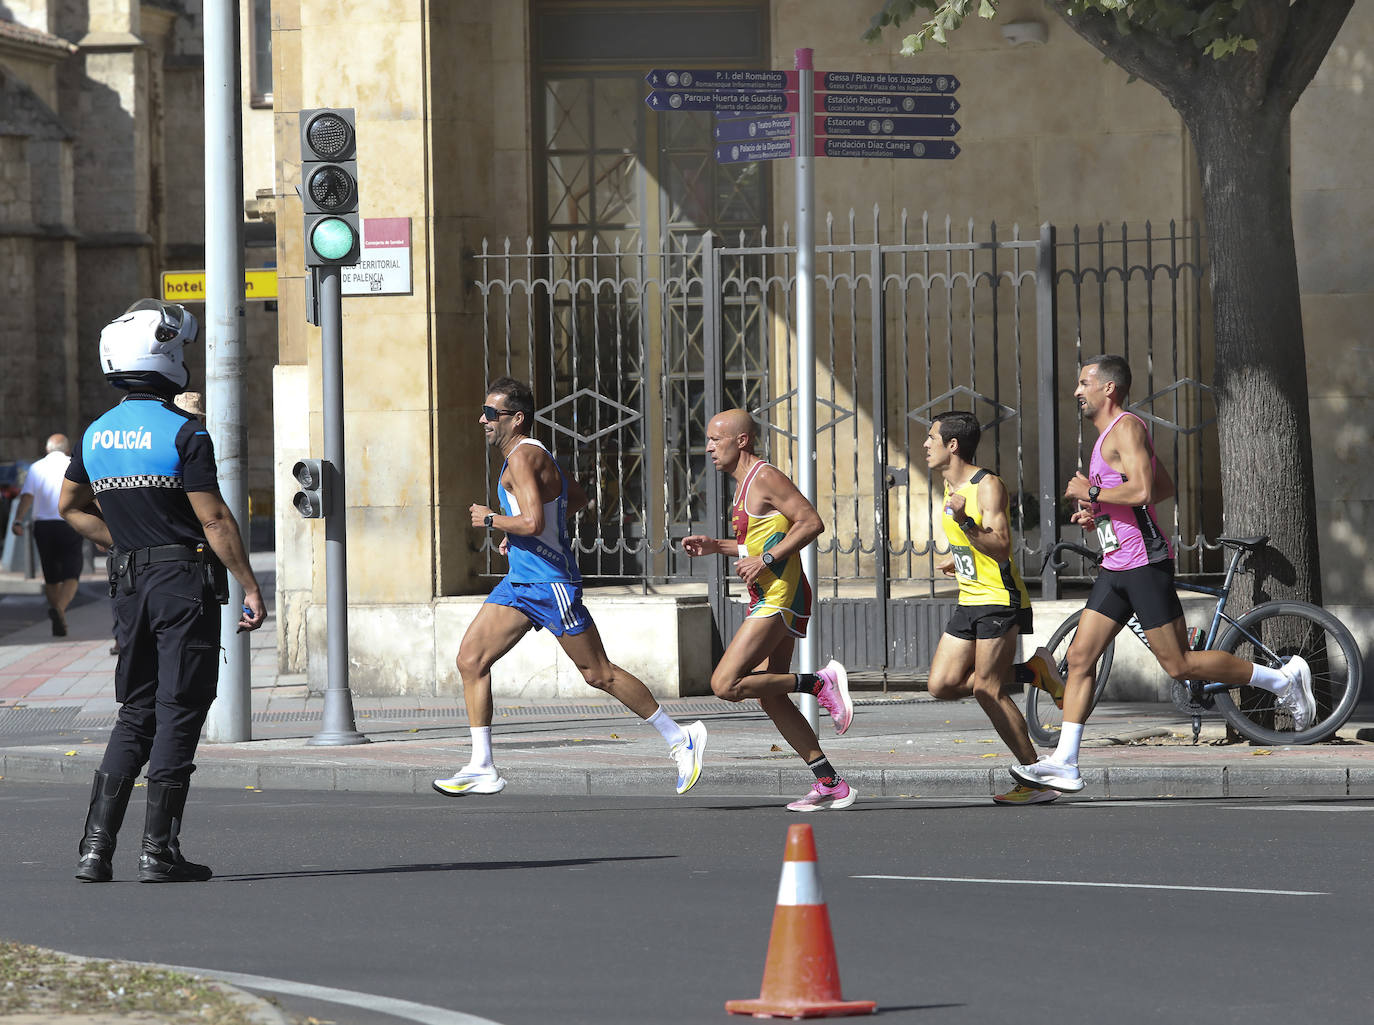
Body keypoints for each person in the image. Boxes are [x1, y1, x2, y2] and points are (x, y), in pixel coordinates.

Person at [1011, 353, 1315, 794]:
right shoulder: (1106, 439)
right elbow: (1163, 487)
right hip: (1117, 564)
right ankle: (1066, 762)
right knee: (1078, 658)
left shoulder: (1127, 427)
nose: (1077, 391)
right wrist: (1099, 513)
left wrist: (1091, 490)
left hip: (1144, 564)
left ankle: (1282, 679)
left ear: (1108, 388)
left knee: (1179, 665)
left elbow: (1145, 490)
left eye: (1083, 383)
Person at [59, 299, 266, 883]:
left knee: (137, 711)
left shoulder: (96, 434)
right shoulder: (183, 433)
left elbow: (69, 507)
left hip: (129, 586)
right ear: (168, 358)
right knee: (181, 709)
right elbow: (216, 520)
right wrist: (249, 584)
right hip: (183, 585)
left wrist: (120, 538)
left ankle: (94, 850)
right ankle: (158, 850)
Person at [432, 378, 707, 797]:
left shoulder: (522, 458)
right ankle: (482, 765)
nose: (482, 420)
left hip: (549, 583)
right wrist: (520, 534)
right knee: (471, 660)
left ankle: (679, 737)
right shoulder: (534, 453)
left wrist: (493, 520)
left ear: (516, 418)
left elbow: (535, 521)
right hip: (521, 582)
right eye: (484, 412)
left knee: (599, 673)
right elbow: (573, 499)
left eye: (491, 414)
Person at [681, 409, 856, 812]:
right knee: (770, 695)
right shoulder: (744, 485)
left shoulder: (764, 476)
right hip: (769, 592)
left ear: (740, 440)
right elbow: (759, 543)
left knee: (725, 684)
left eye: (715, 439)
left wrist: (769, 559)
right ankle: (830, 782)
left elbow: (811, 522)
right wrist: (717, 546)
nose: (708, 447)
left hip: (780, 592)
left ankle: (818, 683)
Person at [922, 412, 1067, 806]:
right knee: (941, 684)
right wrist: (959, 556)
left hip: (999, 599)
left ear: (953, 445)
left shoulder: (986, 486)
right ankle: (1033, 671)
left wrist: (966, 522)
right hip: (970, 599)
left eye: (931, 437)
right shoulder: (949, 485)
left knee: (988, 689)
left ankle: (1037, 778)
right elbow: (979, 545)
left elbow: (1001, 543)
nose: (925, 444)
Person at [11, 435, 85, 636]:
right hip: (70, 522)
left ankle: (58, 615)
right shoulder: (74, 464)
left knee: (51, 575)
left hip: (43, 526)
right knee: (72, 571)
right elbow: (86, 493)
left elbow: (27, 497)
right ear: (67, 449)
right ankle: (59, 609)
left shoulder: (36, 468)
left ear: (47, 448)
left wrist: (17, 521)